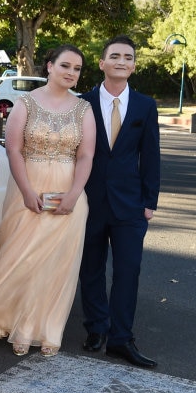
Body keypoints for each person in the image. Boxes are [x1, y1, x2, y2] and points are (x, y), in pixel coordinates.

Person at [0, 44, 96, 356]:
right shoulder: (25, 103)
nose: (71, 73)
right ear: (49, 66)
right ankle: (7, 322)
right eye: (65, 65)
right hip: (28, 190)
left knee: (56, 265)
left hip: (69, 194)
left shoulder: (84, 110)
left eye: (77, 69)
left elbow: (86, 155)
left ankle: (43, 330)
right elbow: (13, 149)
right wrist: (27, 191)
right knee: (22, 258)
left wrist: (74, 195)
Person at [79, 35, 161, 368]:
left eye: (128, 57)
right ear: (102, 63)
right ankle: (96, 328)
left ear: (134, 66)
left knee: (128, 271)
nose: (122, 61)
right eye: (115, 56)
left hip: (131, 205)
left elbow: (151, 156)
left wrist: (150, 201)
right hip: (90, 201)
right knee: (91, 270)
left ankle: (121, 338)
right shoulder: (81, 103)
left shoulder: (145, 105)